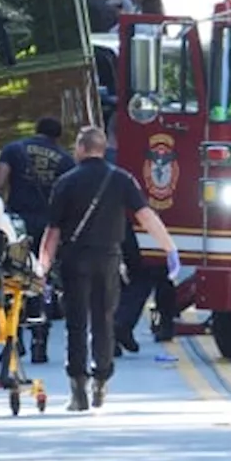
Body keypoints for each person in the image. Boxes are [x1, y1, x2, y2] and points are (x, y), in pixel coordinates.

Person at [38, 126, 180, 411]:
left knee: (76, 323)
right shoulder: (121, 179)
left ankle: (77, 389)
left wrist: (42, 267)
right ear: (103, 149)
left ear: (80, 148)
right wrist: (169, 248)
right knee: (103, 321)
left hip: (75, 258)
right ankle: (101, 382)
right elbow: (146, 216)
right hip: (109, 258)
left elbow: (52, 232)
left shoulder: (66, 182)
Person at [0, 117, 75, 364]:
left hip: (17, 225)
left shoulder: (14, 149)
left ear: (35, 131)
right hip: (48, 225)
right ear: (57, 136)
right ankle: (40, 341)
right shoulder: (66, 160)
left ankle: (13, 337)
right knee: (41, 280)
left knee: (11, 278)